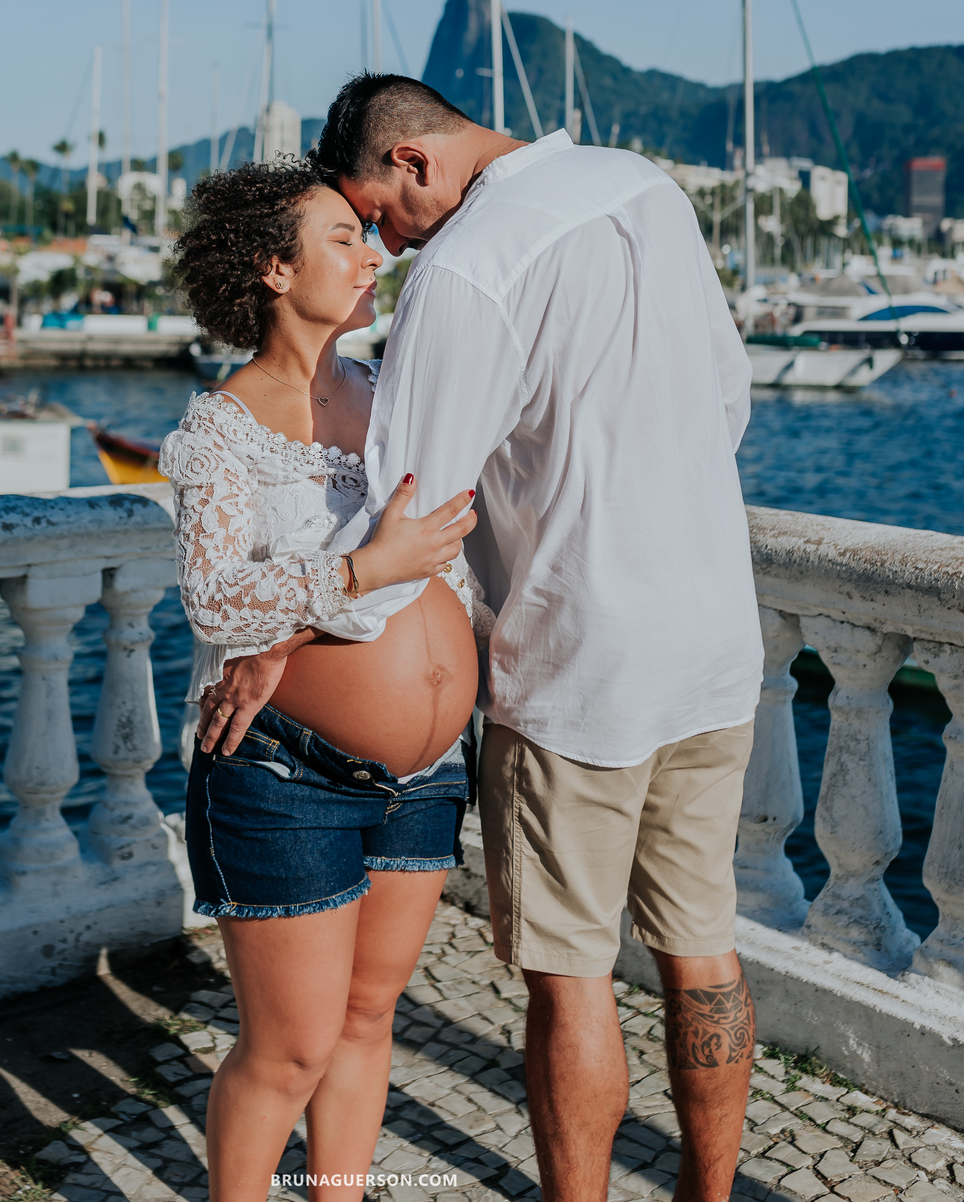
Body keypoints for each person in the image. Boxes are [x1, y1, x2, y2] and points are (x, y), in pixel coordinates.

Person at [305, 74, 765, 1202]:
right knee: (702, 950)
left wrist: (300, 626)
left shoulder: (467, 266)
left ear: (413, 162)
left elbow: (410, 502)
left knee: (570, 977)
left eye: (379, 215)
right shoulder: (644, 186)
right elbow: (730, 397)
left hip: (581, 664)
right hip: (712, 638)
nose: (385, 244)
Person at [158, 158, 491, 1202]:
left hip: (427, 773)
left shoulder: (394, 398)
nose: (371, 253)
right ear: (270, 267)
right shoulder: (220, 429)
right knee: (288, 1050)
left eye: (367, 235)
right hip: (287, 773)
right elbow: (216, 602)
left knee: (365, 1019)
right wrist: (361, 572)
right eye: (342, 238)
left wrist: (298, 627)